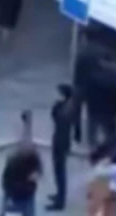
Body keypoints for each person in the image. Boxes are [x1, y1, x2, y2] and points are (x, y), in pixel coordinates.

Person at [47, 83, 80, 212]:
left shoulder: (64, 108)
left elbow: (56, 117)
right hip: (63, 141)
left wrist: (56, 105)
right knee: (58, 170)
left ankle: (60, 201)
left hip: (60, 142)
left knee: (59, 171)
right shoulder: (70, 106)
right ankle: (59, 195)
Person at [1, 139, 42, 216]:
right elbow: (7, 184)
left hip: (27, 196)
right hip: (16, 196)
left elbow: (39, 169)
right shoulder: (13, 163)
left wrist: (37, 174)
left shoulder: (33, 157)